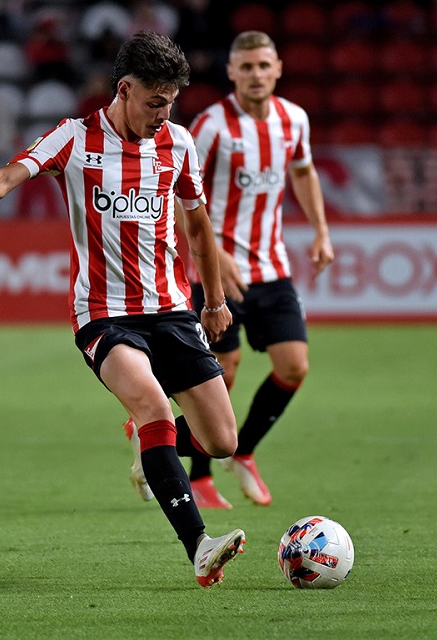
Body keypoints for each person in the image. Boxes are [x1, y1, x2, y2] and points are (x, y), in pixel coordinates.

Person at [0, 31, 246, 588]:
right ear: (124, 89)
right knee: (152, 406)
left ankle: (154, 457)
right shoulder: (75, 138)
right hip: (104, 314)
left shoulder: (179, 144)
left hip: (171, 309)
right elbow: (8, 174)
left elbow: (198, 225)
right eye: (154, 102)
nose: (163, 114)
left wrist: (213, 300)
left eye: (171, 103)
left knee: (223, 442)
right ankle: (198, 545)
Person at [140, 30, 334, 510]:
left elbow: (304, 171)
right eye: (245, 67)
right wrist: (216, 255)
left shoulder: (294, 120)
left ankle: (242, 450)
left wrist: (321, 230)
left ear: (278, 69)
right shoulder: (210, 126)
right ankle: (197, 472)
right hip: (217, 272)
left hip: (271, 266)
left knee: (294, 365)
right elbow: (177, 188)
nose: (255, 75)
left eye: (263, 66)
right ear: (231, 72)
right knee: (221, 372)